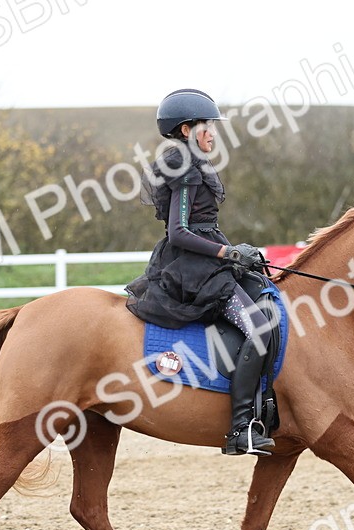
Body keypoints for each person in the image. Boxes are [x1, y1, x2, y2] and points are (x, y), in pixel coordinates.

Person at [125, 88, 276, 457]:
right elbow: (179, 232)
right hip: (193, 268)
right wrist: (228, 253)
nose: (214, 133)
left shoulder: (195, 163)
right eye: (208, 126)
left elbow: (202, 225)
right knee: (258, 327)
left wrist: (238, 253)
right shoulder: (184, 168)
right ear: (186, 129)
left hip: (207, 259)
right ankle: (240, 428)